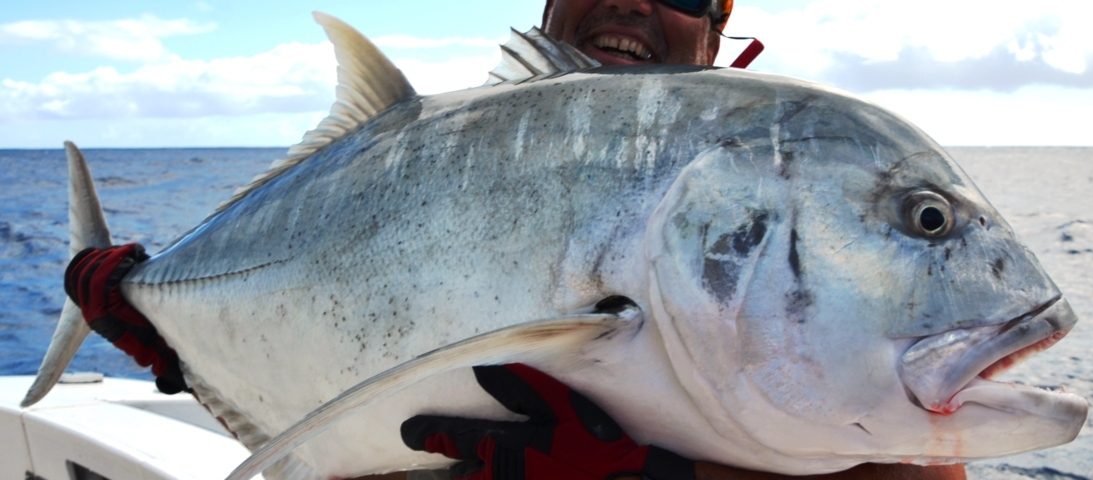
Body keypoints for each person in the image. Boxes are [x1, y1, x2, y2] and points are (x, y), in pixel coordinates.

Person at [64, 1, 967, 479]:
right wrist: (180, 320)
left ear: (720, 26)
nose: (629, 0)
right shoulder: (430, 160)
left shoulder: (806, 178)